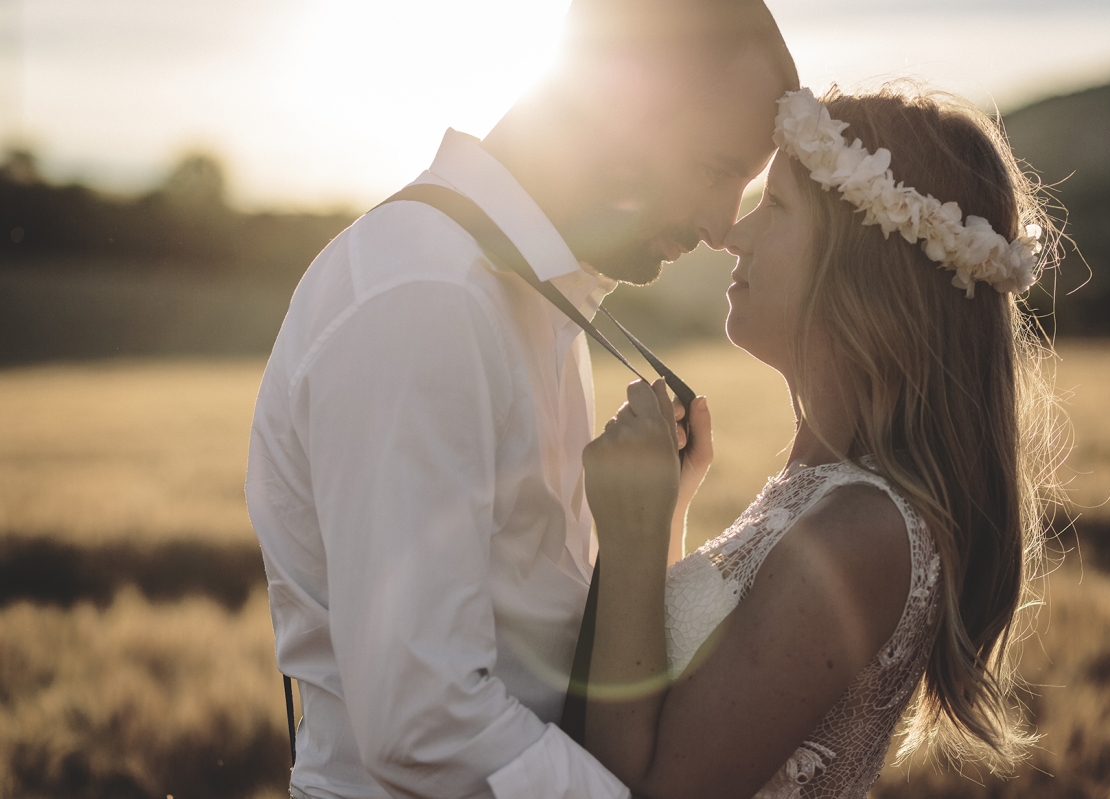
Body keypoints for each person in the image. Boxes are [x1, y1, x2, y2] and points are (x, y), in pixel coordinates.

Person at [244, 1, 797, 797]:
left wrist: (648, 527)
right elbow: (421, 719)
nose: (721, 224)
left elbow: (535, 634)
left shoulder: (531, 293)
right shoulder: (428, 296)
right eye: (716, 170)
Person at [580, 84, 1061, 798]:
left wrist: (633, 540)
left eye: (773, 206)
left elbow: (634, 787)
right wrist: (671, 509)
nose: (732, 234)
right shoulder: (829, 490)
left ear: (861, 260)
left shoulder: (861, 531)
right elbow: (674, 704)